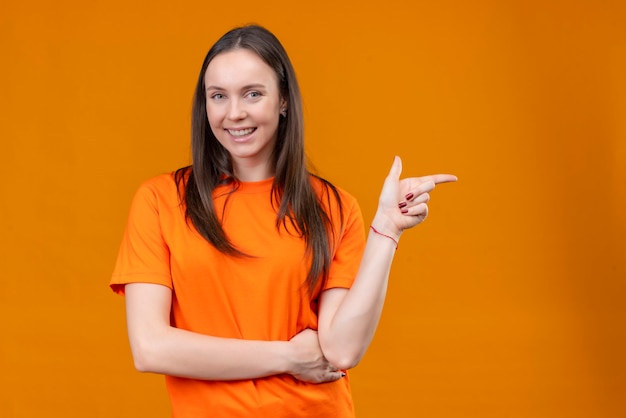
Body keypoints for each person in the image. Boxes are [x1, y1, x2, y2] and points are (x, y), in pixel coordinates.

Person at [110, 24, 456, 418]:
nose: (234, 113)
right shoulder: (160, 200)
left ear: (283, 101)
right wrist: (288, 356)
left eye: (253, 94)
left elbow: (342, 349)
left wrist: (387, 230)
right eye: (218, 96)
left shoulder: (334, 206)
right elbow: (150, 347)